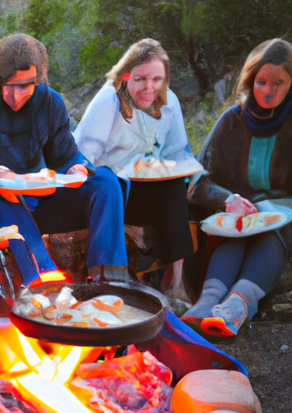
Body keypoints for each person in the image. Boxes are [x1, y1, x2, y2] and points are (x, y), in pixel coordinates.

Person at [0, 33, 128, 285]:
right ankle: (41, 279)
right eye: (6, 85)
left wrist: (77, 168)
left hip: (41, 201)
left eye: (24, 85)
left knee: (105, 181)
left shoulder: (50, 103)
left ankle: (110, 279)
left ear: (38, 80)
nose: (14, 95)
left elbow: (67, 156)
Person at [182, 38, 292, 337]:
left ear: (291, 82)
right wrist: (227, 198)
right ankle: (207, 303)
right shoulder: (232, 120)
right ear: (250, 79)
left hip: (286, 212)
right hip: (239, 213)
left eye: (279, 83)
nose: (268, 92)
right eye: (261, 82)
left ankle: (238, 305)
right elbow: (197, 179)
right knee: (234, 233)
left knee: (273, 228)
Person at [74, 38, 201, 278]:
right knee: (108, 181)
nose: (149, 87)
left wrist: (189, 172)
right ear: (125, 77)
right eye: (140, 79)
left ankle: (175, 281)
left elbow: (178, 150)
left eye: (156, 79)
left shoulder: (169, 102)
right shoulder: (108, 100)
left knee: (175, 185)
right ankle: (111, 273)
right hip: (111, 193)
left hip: (145, 191)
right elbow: (84, 156)